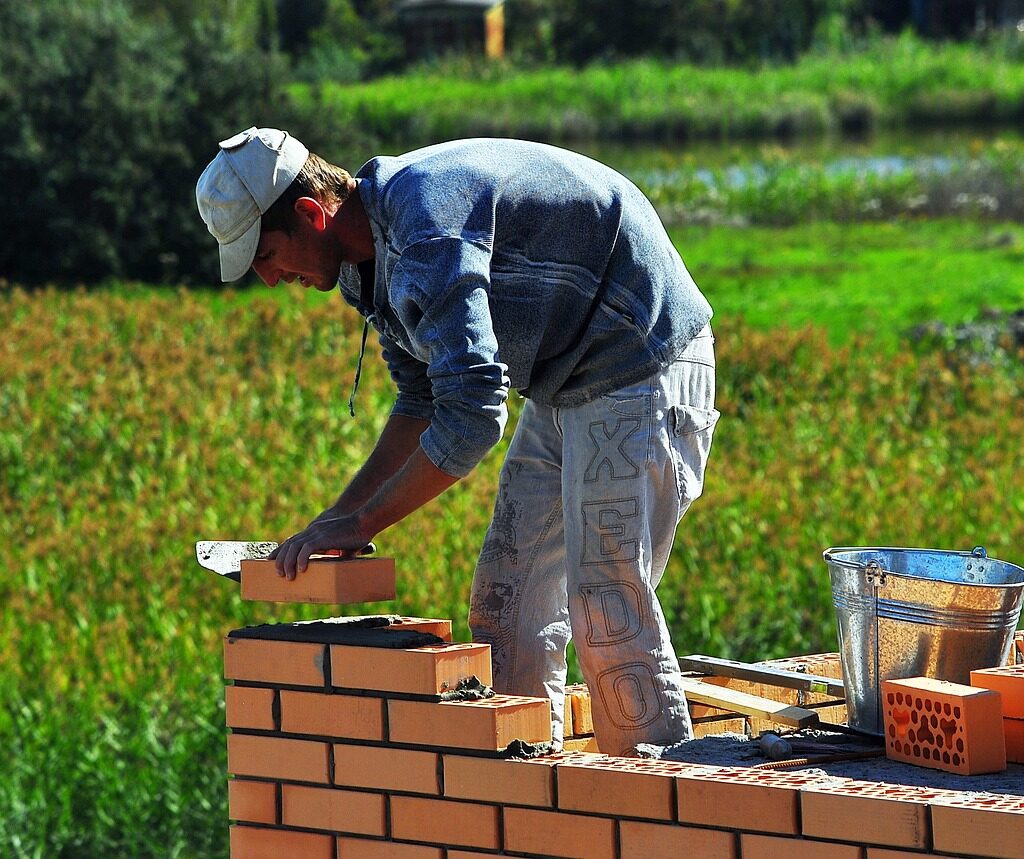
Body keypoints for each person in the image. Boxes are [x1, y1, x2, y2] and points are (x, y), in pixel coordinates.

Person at [196, 127, 719, 756]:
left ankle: (658, 799)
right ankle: (527, 788)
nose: (269, 279)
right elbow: (423, 401)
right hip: (564, 376)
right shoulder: (366, 266)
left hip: (639, 352)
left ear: (311, 214)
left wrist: (362, 522)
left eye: (266, 255)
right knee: (507, 604)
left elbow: (473, 416)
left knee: (606, 604)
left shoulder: (425, 228)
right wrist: (336, 519)